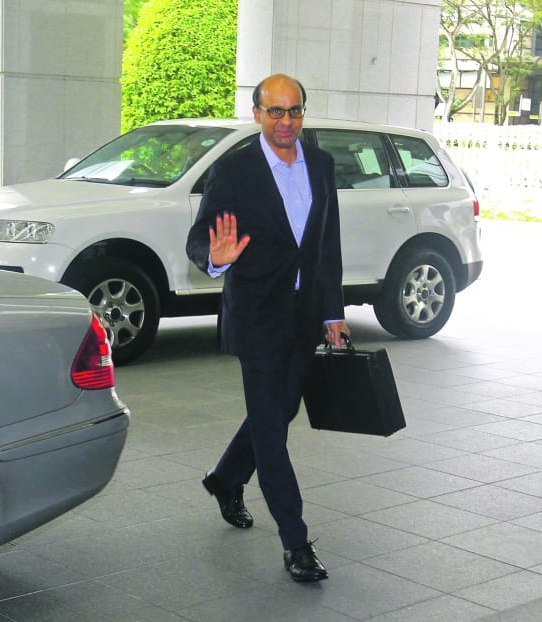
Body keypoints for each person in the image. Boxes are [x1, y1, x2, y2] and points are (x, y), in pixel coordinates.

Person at [186, 73, 350, 583]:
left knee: (278, 413)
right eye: (275, 112)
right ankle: (296, 542)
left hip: (304, 316)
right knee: (272, 434)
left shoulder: (320, 165)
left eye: (294, 111)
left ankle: (226, 478)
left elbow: (326, 247)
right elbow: (201, 238)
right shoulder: (234, 171)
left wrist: (333, 313)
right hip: (257, 316)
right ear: (257, 113)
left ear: (304, 111)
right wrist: (213, 260)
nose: (285, 122)